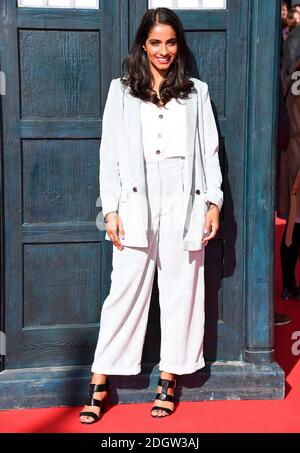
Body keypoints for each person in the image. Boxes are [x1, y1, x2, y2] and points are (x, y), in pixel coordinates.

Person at [80, 7, 223, 424]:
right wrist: (111, 210)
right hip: (136, 199)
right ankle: (99, 379)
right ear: (143, 44)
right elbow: (109, 156)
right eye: (156, 42)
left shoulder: (196, 92)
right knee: (124, 293)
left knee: (182, 292)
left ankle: (169, 375)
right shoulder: (121, 91)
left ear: (179, 45)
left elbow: (208, 152)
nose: (164, 50)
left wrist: (212, 202)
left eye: (171, 42)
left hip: (185, 198)